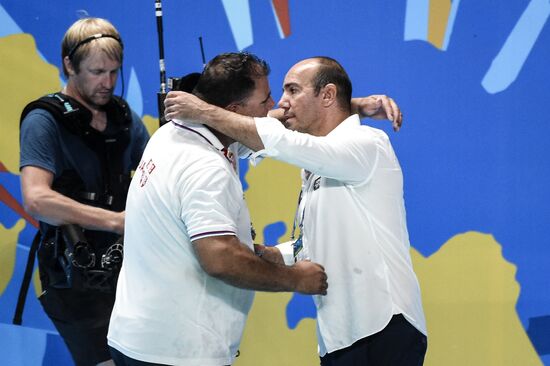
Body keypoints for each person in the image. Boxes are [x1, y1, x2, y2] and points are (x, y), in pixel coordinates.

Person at [164, 56, 427, 365]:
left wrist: (203, 111)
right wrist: (275, 255)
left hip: (383, 327)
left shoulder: (367, 143)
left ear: (328, 95)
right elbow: (315, 242)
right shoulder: (322, 159)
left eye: (292, 91)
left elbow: (280, 141)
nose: (282, 103)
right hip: (342, 335)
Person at [107, 52, 328, 366]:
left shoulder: (173, 133)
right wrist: (294, 279)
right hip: (176, 354)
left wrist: (347, 106)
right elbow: (220, 259)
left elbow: (260, 133)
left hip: (137, 339)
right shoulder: (206, 167)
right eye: (265, 100)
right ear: (234, 111)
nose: (273, 106)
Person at [19, 17, 149, 366]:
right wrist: (116, 221)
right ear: (68, 65)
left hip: (129, 269)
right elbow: (36, 199)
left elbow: (159, 173)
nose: (107, 83)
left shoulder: (124, 118)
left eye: (114, 72)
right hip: (71, 272)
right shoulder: (43, 120)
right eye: (96, 72)